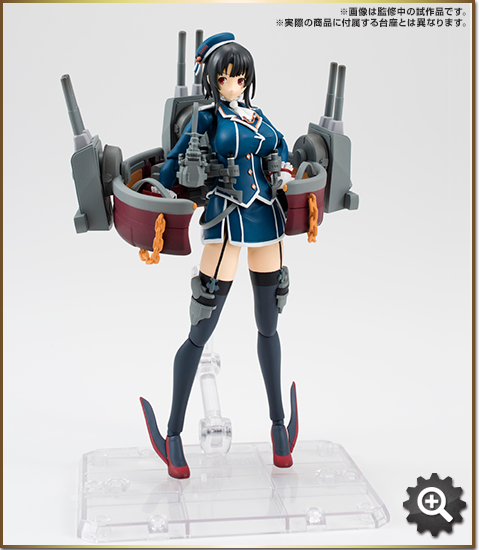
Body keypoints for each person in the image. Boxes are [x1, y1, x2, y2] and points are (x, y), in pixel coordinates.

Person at [140, 32, 298, 479]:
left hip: (267, 219)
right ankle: (173, 435)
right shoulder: (205, 118)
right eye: (225, 77)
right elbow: (173, 164)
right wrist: (154, 193)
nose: (233, 84)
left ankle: (279, 430)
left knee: (269, 325)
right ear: (212, 80)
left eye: (240, 77)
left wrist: (286, 170)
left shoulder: (258, 116)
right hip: (227, 218)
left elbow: (281, 148)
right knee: (201, 328)